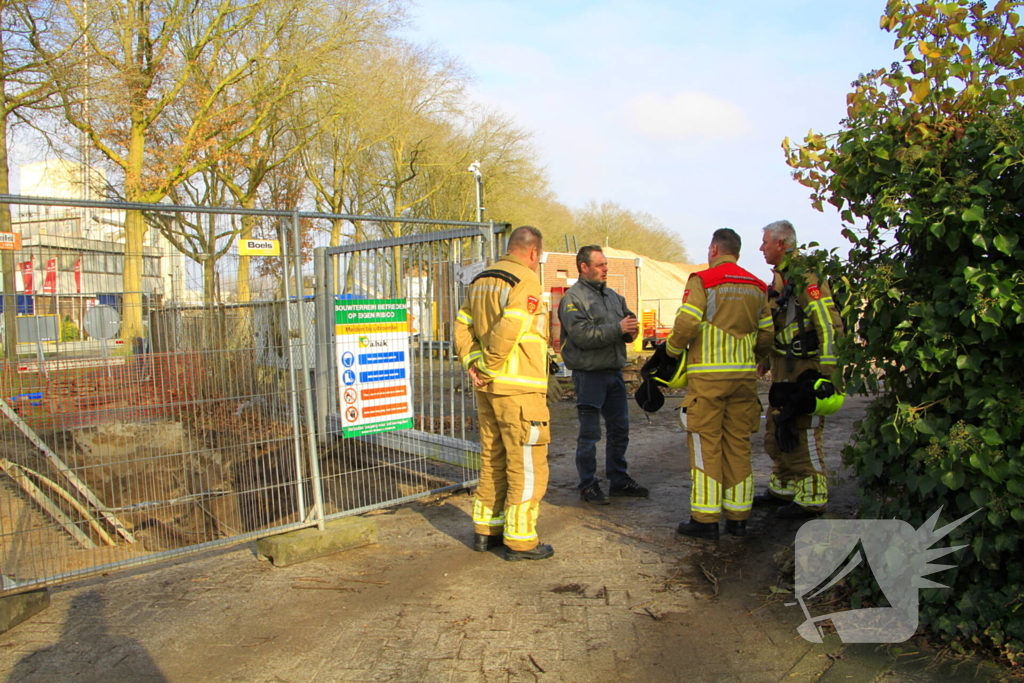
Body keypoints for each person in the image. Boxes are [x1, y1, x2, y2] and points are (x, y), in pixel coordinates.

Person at [453, 226, 554, 561]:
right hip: (519, 389)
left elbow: (461, 324)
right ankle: (521, 541)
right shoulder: (525, 280)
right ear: (534, 253)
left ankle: (487, 530)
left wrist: (473, 361)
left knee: (492, 458)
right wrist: (489, 365)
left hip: (488, 389)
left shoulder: (481, 280)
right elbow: (511, 326)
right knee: (526, 463)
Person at [667, 229, 774, 540]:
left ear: (714, 249)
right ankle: (738, 518)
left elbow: (687, 322)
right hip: (743, 381)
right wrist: (755, 357)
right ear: (737, 252)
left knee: (706, 446)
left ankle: (705, 519)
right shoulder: (756, 286)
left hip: (708, 382)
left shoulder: (704, 281)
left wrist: (672, 352)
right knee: (739, 447)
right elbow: (767, 333)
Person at [755, 220, 844, 519]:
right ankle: (784, 488)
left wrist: (827, 372)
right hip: (784, 368)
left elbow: (827, 322)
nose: (761, 248)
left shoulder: (805, 276)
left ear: (781, 243)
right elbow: (778, 321)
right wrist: (766, 358)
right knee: (778, 428)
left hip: (805, 369)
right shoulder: (782, 279)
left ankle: (813, 498)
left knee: (803, 429)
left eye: (765, 242)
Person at [558, 245, 648, 504]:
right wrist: (618, 329)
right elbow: (582, 336)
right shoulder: (573, 298)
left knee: (620, 429)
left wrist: (632, 330)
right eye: (600, 265)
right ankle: (588, 485)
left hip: (614, 373)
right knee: (590, 434)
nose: (605, 268)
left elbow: (628, 325)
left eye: (606, 264)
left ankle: (619, 480)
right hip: (589, 376)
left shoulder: (613, 297)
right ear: (584, 267)